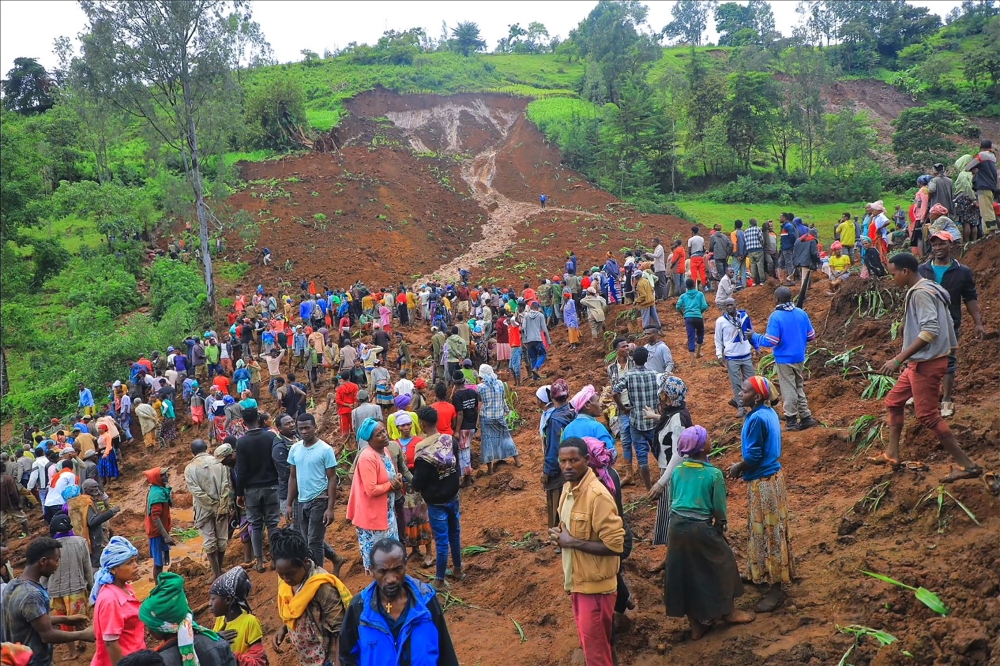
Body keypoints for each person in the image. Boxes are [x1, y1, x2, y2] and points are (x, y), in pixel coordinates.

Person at [872, 253, 983, 483]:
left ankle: (968, 466)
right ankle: (892, 454)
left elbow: (929, 331)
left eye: (893, 273)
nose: (892, 278)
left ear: (905, 272)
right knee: (894, 402)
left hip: (927, 363)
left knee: (928, 416)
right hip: (920, 362)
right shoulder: (929, 287)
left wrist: (898, 359)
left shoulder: (922, 293)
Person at [665, 427, 753, 638]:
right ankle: (728, 612)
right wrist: (720, 526)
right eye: (708, 439)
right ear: (702, 447)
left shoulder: (678, 470)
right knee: (724, 562)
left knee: (683, 574)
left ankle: (696, 626)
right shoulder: (713, 474)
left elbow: (673, 500)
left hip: (676, 528)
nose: (710, 440)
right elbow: (719, 508)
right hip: (701, 528)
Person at [549, 437, 626, 666]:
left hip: (596, 590)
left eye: (574, 460)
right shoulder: (566, 490)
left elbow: (615, 546)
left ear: (586, 460)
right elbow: (569, 530)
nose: (568, 466)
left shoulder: (597, 496)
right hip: (578, 583)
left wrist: (571, 542)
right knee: (595, 646)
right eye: (563, 461)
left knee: (596, 654)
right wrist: (560, 537)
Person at [727, 377, 794, 613]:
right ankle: (762, 572)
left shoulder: (756, 419)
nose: (739, 392)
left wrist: (738, 467)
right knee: (770, 529)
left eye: (744, 391)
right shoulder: (767, 412)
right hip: (773, 478)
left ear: (756, 397)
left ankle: (776, 589)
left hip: (763, 481)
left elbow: (754, 456)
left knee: (768, 532)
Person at [339, 538, 459, 666]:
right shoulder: (359, 608)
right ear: (372, 570)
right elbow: (347, 657)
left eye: (397, 569)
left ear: (405, 565)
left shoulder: (426, 601)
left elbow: (445, 651)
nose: (391, 579)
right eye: (383, 571)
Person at [917, 231, 985, 418]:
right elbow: (913, 296)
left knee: (948, 359)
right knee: (922, 357)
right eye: (935, 244)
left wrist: (977, 322)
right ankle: (923, 395)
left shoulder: (962, 272)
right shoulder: (923, 270)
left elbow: (970, 298)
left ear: (951, 245)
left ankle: (946, 399)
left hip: (950, 322)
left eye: (942, 244)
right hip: (924, 322)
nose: (938, 248)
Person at [4, 537, 95, 666]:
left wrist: (67, 619)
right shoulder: (32, 595)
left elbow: (33, 620)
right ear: (43, 561)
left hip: (16, 658)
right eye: (56, 560)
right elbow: (47, 635)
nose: (57, 565)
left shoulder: (13, 585)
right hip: (34, 661)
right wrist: (82, 634)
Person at [272, 528, 352, 666]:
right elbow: (292, 609)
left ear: (304, 562)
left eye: (290, 574)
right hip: (308, 657)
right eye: (281, 575)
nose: (286, 579)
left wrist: (337, 661)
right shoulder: (286, 583)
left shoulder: (322, 586)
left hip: (326, 657)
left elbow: (339, 627)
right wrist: (284, 628)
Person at [411, 407, 463, 591]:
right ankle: (457, 569)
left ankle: (439, 580)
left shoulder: (422, 449)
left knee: (441, 541)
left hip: (436, 502)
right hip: (453, 495)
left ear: (422, 424)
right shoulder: (450, 440)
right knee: (455, 533)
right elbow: (457, 465)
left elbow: (418, 482)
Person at [751, 287, 818, 431]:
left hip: (784, 359)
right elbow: (811, 335)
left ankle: (791, 419)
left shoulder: (776, 316)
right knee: (798, 385)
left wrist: (754, 336)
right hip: (799, 357)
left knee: (788, 388)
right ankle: (806, 416)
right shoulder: (801, 313)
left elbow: (771, 341)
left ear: (776, 299)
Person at [287, 413, 344, 575]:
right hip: (301, 500)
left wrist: (330, 508)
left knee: (314, 542)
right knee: (307, 539)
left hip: (320, 499)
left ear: (315, 428)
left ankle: (317, 577)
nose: (304, 431)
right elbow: (293, 476)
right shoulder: (295, 449)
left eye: (307, 428)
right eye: (301, 428)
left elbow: (332, 479)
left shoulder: (325, 450)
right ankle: (335, 558)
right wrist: (290, 503)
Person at [140, 573, 237, 666]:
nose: (147, 629)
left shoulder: (160, 661)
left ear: (161, 628)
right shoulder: (216, 641)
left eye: (148, 624)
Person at [347, 419, 402, 573]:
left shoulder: (385, 451)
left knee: (390, 557)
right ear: (370, 440)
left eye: (384, 431)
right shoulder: (367, 458)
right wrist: (392, 485)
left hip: (386, 514)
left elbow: (389, 476)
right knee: (379, 562)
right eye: (379, 434)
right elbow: (371, 490)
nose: (384, 435)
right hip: (372, 518)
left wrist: (396, 479)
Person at [235, 407, 280, 573]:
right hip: (272, 486)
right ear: (258, 418)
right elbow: (276, 461)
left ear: (243, 422)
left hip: (252, 490)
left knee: (256, 524)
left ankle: (259, 561)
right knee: (273, 524)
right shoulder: (270, 436)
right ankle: (275, 559)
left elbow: (241, 471)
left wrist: (239, 493)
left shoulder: (242, 442)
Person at [90, 537, 145, 666]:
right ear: (113, 569)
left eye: (135, 561)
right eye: (129, 562)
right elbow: (110, 643)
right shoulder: (110, 600)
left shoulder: (126, 588)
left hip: (134, 656)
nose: (136, 565)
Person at [44, 514, 92, 662]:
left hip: (56, 590)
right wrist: (90, 585)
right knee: (79, 619)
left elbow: (43, 573)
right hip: (77, 588)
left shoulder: (49, 547)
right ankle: (82, 641)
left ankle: (72, 652)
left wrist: (43, 589)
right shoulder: (81, 542)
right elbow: (87, 568)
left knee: (65, 622)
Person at [183, 439, 231, 580]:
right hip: (221, 506)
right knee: (222, 539)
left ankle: (215, 573)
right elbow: (225, 485)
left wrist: (210, 504)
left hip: (203, 509)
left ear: (192, 452)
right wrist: (220, 506)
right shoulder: (219, 463)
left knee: (209, 541)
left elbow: (196, 492)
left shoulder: (190, 469)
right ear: (207, 447)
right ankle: (219, 569)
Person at [613, 347, 659, 489]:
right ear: (646, 359)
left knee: (642, 456)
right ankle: (665, 481)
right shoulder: (655, 374)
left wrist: (623, 408)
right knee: (659, 452)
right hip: (653, 420)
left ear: (634, 360)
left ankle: (649, 488)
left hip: (636, 421)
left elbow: (615, 392)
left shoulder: (629, 375)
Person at [209, 567, 268, 666]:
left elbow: (259, 662)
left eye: (213, 599)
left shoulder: (250, 622)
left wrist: (229, 655)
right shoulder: (220, 619)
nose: (209, 603)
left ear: (228, 600)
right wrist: (217, 639)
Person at [541, 380, 575, 530]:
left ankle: (558, 538)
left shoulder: (554, 419)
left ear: (552, 397)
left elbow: (553, 447)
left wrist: (547, 471)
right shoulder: (573, 411)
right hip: (575, 462)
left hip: (559, 467)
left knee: (556, 503)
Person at [715, 298, 758, 416]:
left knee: (751, 382)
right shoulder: (721, 321)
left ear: (736, 305)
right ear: (724, 307)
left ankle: (754, 405)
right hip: (731, 357)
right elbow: (718, 339)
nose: (729, 307)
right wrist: (719, 355)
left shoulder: (744, 317)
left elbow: (751, 332)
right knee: (736, 383)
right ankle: (741, 407)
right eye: (727, 305)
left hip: (746, 354)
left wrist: (756, 347)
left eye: (731, 305)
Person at [477, 365, 521, 474]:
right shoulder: (500, 384)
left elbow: (479, 404)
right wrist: (506, 411)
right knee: (506, 438)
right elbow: (503, 399)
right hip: (499, 415)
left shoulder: (480, 387)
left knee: (488, 442)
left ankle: (490, 470)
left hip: (487, 417)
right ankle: (517, 461)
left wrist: (477, 420)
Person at [143, 467, 174, 582]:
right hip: (157, 533)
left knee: (159, 561)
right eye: (163, 475)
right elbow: (155, 517)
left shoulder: (158, 489)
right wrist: (165, 536)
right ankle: (157, 587)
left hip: (158, 532)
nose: (166, 476)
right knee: (158, 563)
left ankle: (159, 585)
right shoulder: (157, 494)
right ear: (156, 478)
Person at [563, 385, 614, 453]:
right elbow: (611, 454)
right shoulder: (597, 427)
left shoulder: (567, 429)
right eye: (597, 401)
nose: (600, 404)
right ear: (587, 405)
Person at [963, 139, 996, 231]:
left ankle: (990, 230)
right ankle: (987, 231)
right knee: (988, 208)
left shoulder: (981, 155)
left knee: (985, 210)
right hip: (990, 186)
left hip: (983, 186)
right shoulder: (993, 156)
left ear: (981, 147)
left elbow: (967, 167)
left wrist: (974, 170)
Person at [676, 279, 709, 358]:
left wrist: (683, 314)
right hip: (698, 317)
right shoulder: (700, 294)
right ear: (694, 285)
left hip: (688, 318)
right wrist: (699, 312)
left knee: (691, 337)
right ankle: (698, 353)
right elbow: (704, 306)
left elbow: (678, 307)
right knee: (700, 334)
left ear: (686, 287)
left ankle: (692, 360)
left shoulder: (683, 296)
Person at [522, 302, 551, 381]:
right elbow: (544, 329)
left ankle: (535, 378)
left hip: (529, 341)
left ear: (531, 308)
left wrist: (524, 340)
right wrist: (548, 340)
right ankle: (536, 368)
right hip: (537, 339)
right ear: (537, 308)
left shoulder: (526, 316)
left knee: (533, 357)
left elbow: (523, 328)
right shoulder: (540, 315)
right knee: (543, 354)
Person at [634, 267, 660, 332]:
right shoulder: (646, 281)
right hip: (651, 301)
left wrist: (636, 301)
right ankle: (659, 328)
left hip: (645, 304)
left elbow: (643, 295)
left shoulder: (639, 284)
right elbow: (652, 289)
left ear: (637, 277)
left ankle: (646, 331)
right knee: (655, 317)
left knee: (645, 318)